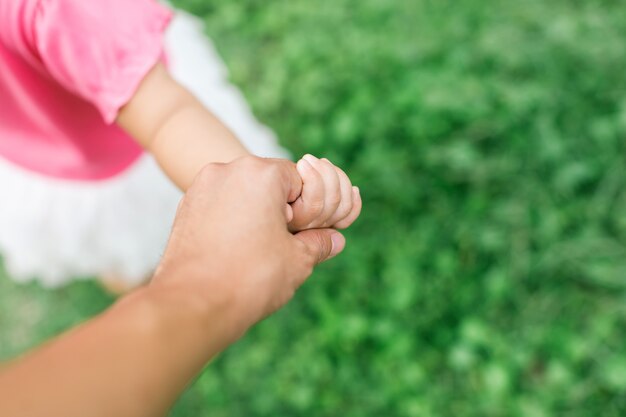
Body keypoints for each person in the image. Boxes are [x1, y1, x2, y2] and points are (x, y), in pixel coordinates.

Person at [0, 0, 360, 290]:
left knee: (117, 244)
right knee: (136, 230)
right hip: (133, 151)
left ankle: (129, 272)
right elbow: (166, 117)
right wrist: (259, 199)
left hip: (42, 159)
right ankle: (135, 270)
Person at [0, 156, 360, 417]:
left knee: (130, 253)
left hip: (131, 164)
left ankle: (139, 285)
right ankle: (133, 282)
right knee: (116, 256)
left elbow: (166, 113)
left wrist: (269, 203)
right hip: (46, 184)